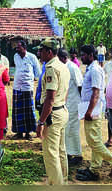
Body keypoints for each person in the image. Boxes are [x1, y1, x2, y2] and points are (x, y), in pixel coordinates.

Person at [75, 45, 112, 181]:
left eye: (83, 54)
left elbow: (96, 92)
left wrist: (89, 111)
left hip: (93, 110)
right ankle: (94, 169)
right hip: (89, 108)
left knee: (94, 142)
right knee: (95, 140)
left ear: (91, 55)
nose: (81, 57)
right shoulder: (91, 69)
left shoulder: (95, 70)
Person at [36, 38, 70, 185]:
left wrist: (41, 121)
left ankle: (57, 185)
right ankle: (63, 180)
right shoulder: (63, 66)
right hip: (61, 110)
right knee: (61, 151)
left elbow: (50, 98)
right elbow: (65, 92)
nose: (39, 53)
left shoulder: (51, 68)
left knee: (51, 153)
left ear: (49, 52)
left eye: (41, 50)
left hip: (53, 114)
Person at [57, 48, 83, 166]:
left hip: (74, 102)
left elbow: (80, 85)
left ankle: (77, 154)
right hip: (66, 102)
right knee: (66, 129)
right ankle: (68, 152)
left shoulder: (72, 67)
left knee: (73, 129)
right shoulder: (62, 67)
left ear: (63, 58)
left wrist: (82, 104)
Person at [12, 39, 41, 140]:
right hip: (17, 87)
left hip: (27, 87)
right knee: (17, 111)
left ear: (24, 48)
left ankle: (28, 133)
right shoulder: (15, 57)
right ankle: (19, 133)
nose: (17, 49)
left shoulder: (32, 57)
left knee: (28, 111)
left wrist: (34, 80)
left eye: (19, 47)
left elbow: (38, 72)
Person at [103, 47, 112, 148]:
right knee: (110, 118)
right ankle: (110, 139)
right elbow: (103, 77)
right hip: (109, 96)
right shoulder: (107, 65)